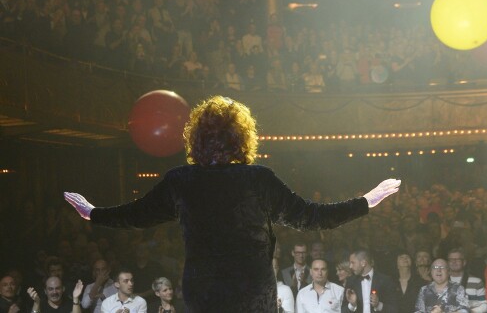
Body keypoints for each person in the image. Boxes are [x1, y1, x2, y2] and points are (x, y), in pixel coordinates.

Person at [64, 95, 401, 313]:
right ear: (242, 137)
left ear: (196, 138)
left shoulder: (181, 181)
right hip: (252, 294)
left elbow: (135, 215)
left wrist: (93, 213)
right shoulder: (258, 178)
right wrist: (366, 202)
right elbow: (312, 217)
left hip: (203, 292)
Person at [342, 249, 397, 313]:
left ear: (363, 263)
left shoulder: (385, 280)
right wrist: (352, 305)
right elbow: (343, 310)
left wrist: (378, 305)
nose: (350, 266)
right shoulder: (351, 281)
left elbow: (394, 309)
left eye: (353, 263)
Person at [447, 249, 487, 313]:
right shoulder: (442, 282)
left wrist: (470, 311)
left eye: (457, 259)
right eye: (451, 260)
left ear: (464, 262)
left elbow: (485, 304)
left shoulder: (477, 282)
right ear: (448, 262)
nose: (454, 262)